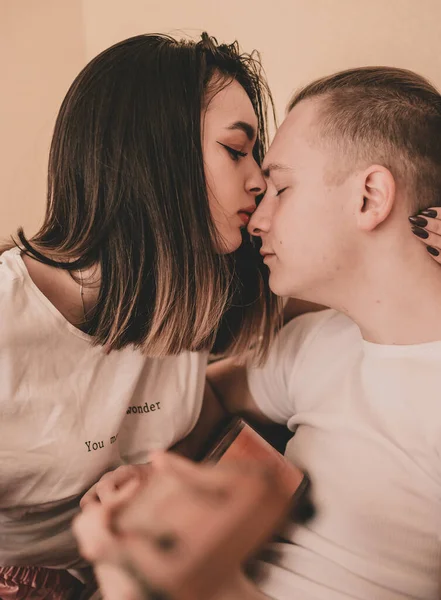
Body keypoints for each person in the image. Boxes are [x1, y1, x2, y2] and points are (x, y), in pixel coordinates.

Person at [75, 65, 441, 600]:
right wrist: (162, 481)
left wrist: (208, 585)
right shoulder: (315, 345)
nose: (256, 219)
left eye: (281, 188)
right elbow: (202, 400)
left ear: (370, 197)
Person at [0, 32, 280, 598]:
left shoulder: (192, 290)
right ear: (152, 154)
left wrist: (154, 482)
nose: (258, 179)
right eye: (235, 150)